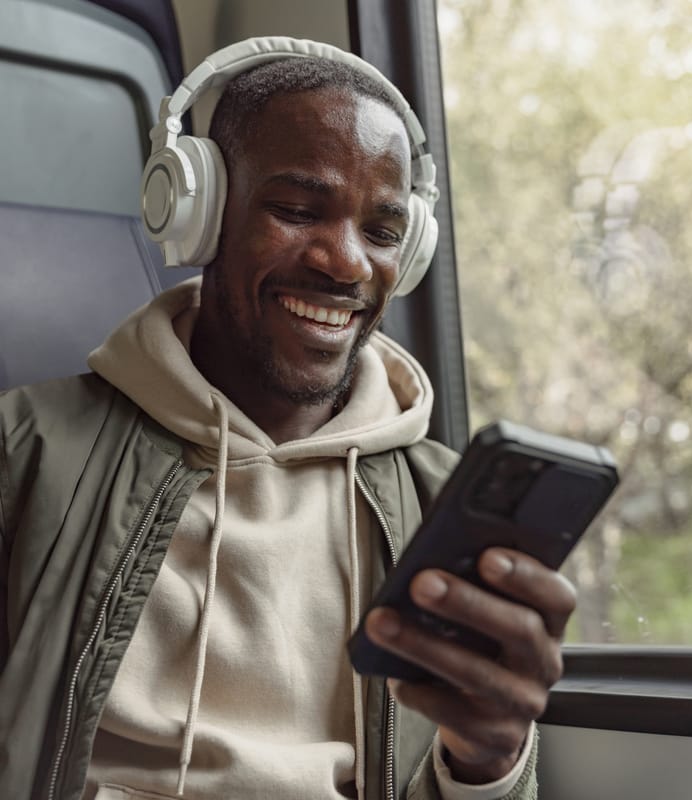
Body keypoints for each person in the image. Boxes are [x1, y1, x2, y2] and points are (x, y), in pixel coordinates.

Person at [0, 38, 576, 800]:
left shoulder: (440, 506)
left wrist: (490, 760)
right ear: (199, 213)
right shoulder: (27, 450)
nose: (344, 263)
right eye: (298, 210)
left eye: (381, 233)